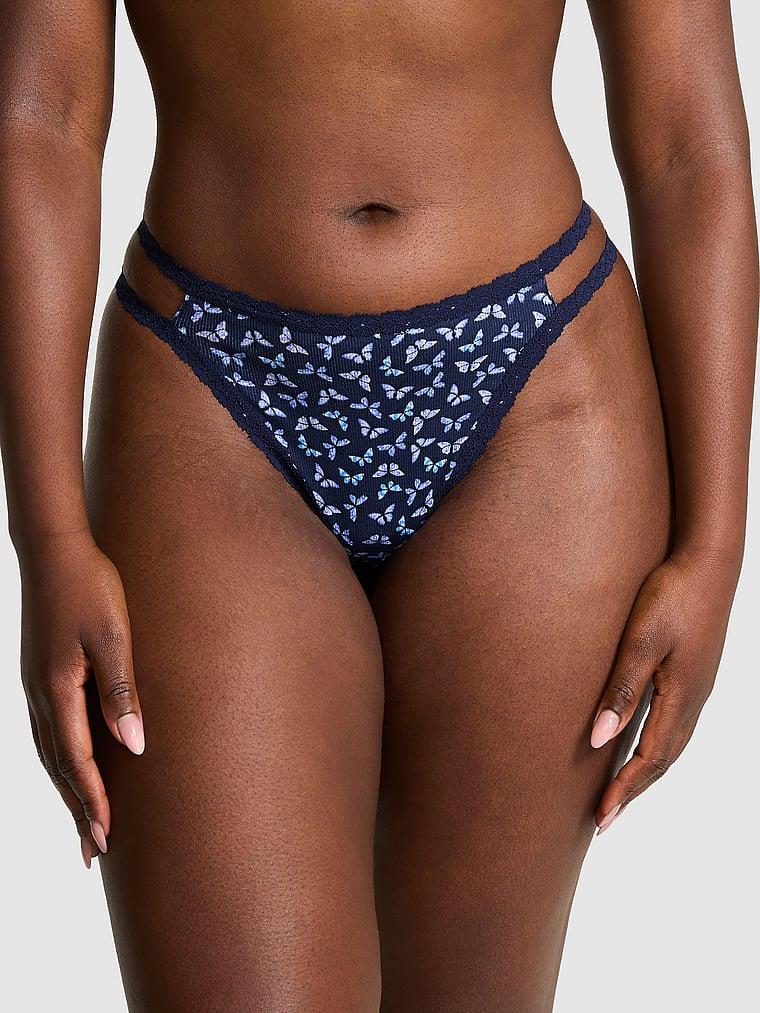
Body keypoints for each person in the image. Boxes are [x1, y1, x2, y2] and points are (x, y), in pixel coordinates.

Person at [0, 2, 756, 1010]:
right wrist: (46, 533)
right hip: (211, 402)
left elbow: (685, 143)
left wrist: (716, 544)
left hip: (537, 400)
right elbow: (42, 114)